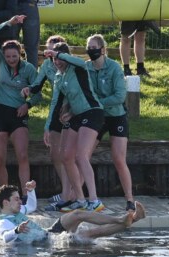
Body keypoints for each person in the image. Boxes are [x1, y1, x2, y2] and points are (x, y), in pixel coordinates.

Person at [45, 43, 104, 212]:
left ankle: (94, 200)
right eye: (54, 59)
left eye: (59, 58)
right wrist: (49, 126)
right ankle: (78, 199)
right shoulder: (58, 77)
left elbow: (76, 61)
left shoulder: (78, 67)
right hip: (77, 116)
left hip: (93, 112)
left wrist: (57, 53)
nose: (57, 61)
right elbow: (56, 101)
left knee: (81, 156)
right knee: (66, 156)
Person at [0, 15, 41, 203]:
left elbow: (38, 94)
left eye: (14, 56)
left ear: (20, 54)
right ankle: (4, 196)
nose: (11, 59)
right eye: (8, 56)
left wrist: (27, 105)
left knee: (22, 155)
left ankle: (26, 195)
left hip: (18, 113)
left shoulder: (28, 69)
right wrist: (8, 23)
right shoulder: (0, 62)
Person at [0, 181, 146, 244]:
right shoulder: (3, 222)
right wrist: (16, 230)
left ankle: (122, 219)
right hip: (50, 243)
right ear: (5, 203)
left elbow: (32, 205)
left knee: (78, 214)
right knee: (91, 233)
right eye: (16, 199)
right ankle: (134, 219)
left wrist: (31, 190)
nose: (20, 201)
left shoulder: (18, 211)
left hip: (50, 233)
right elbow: (4, 238)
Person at [21, 35, 74, 211]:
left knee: (70, 155)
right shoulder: (47, 66)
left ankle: (72, 194)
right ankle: (68, 191)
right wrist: (29, 89)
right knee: (55, 154)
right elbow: (38, 85)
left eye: (56, 53)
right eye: (49, 54)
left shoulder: (73, 67)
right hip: (58, 107)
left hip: (75, 109)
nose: (53, 58)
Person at [86, 34, 135, 211]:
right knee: (83, 156)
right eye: (89, 47)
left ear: (103, 49)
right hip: (96, 117)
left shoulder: (114, 68)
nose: (91, 51)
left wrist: (98, 102)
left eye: (94, 47)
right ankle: (80, 198)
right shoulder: (86, 68)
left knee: (118, 159)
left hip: (116, 116)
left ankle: (130, 200)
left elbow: (120, 96)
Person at [15, 0, 39, 68]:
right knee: (32, 46)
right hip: (30, 5)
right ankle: (33, 76)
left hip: (13, 5)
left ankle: (11, 74)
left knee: (10, 43)